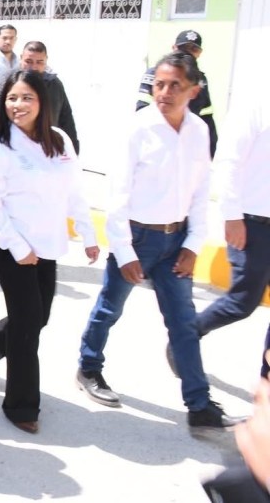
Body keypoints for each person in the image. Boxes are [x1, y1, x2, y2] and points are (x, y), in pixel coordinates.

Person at [77, 52, 240, 431]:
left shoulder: (199, 131)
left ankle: (200, 406)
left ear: (193, 90)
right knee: (109, 309)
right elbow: (117, 195)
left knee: (183, 323)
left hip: (177, 239)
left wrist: (193, 244)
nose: (163, 92)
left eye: (174, 86)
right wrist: (125, 250)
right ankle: (88, 368)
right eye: (159, 84)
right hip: (137, 236)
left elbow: (201, 192)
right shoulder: (138, 128)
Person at [0, 70, 98, 434]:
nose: (18, 105)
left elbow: (75, 191)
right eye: (12, 98)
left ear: (42, 102)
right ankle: (21, 405)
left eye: (26, 97)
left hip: (48, 245)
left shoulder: (58, 141)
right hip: (12, 247)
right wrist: (18, 247)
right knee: (28, 328)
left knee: (39, 316)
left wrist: (88, 235)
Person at [193, 97, 270, 375]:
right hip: (253, 225)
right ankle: (187, 338)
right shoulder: (256, 106)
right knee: (242, 303)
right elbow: (228, 163)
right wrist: (232, 216)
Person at [0, 40, 80, 153]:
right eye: (29, 61)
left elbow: (66, 119)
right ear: (21, 58)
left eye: (39, 62)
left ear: (46, 60)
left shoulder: (54, 85)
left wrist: (73, 152)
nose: (34, 67)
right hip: (10, 148)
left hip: (44, 150)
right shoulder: (5, 81)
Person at [137, 29, 217, 157]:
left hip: (188, 143)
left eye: (193, 49)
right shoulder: (156, 73)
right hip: (157, 141)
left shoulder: (201, 80)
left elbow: (206, 115)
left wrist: (211, 150)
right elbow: (142, 108)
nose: (188, 53)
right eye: (184, 48)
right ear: (174, 48)